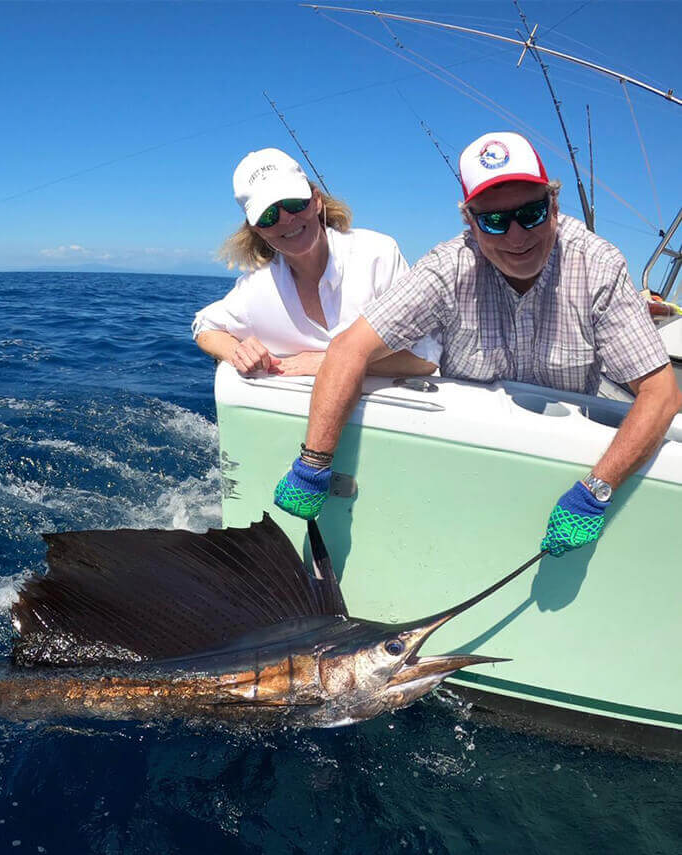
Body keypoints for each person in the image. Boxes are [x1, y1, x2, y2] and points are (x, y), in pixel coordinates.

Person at [272, 130, 682, 558]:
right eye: (495, 221)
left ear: (555, 206)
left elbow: (661, 394)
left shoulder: (599, 264)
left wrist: (597, 489)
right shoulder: (447, 267)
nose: (517, 236)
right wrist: (314, 465)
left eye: (532, 212)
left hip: (571, 464)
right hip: (471, 459)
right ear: (470, 223)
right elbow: (348, 349)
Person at [192, 148, 440, 377]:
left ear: (316, 200)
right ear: (257, 229)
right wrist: (237, 352)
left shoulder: (377, 255)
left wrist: (328, 361)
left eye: (293, 203)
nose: (287, 219)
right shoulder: (255, 288)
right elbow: (204, 326)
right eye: (269, 215)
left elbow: (425, 357)